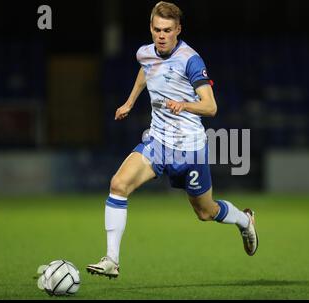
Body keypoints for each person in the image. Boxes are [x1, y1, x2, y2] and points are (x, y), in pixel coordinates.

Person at [86, 1, 258, 279]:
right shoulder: (145, 53)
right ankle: (112, 260)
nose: (161, 35)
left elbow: (211, 107)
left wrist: (184, 104)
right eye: (156, 29)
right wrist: (130, 102)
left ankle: (244, 220)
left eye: (167, 30)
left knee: (205, 212)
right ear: (151, 29)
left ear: (178, 29)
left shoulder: (191, 60)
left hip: (189, 149)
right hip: (157, 142)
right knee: (118, 184)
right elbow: (146, 71)